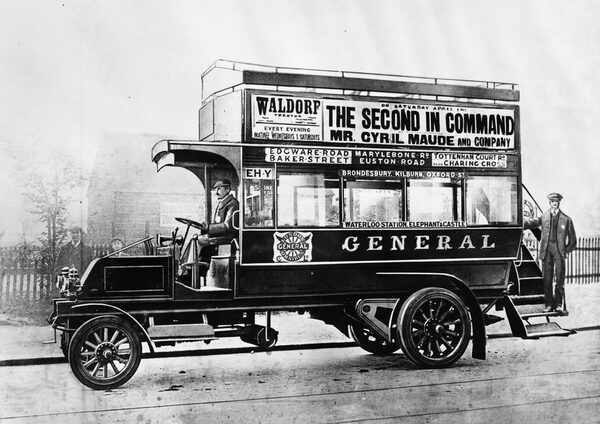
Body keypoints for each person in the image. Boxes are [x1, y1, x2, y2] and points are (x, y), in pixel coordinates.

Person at [525, 193, 577, 313]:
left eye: (556, 201)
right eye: (552, 201)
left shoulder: (566, 219)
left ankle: (558, 304)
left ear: (559, 203)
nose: (554, 203)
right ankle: (548, 305)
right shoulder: (544, 217)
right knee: (547, 279)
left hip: (559, 252)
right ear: (549, 203)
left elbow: (573, 241)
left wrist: (565, 250)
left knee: (559, 279)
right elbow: (531, 223)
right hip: (546, 251)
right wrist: (517, 223)